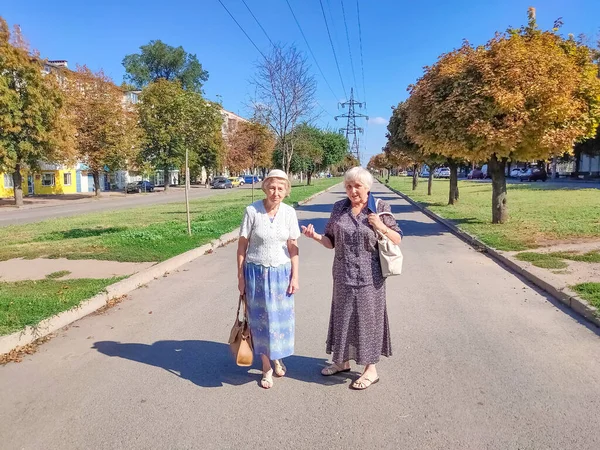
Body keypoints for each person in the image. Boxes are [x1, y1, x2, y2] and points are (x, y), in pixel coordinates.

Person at [301, 167, 402, 390]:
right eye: (348, 186)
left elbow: (397, 239)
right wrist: (315, 236)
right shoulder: (339, 208)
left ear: (367, 187)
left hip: (371, 276)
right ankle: (342, 361)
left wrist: (380, 225)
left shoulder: (380, 207)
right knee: (343, 316)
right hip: (342, 273)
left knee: (368, 320)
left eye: (357, 186)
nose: (352, 190)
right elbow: (330, 241)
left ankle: (370, 369)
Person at [237, 169, 300, 389]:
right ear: (265, 188)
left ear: (286, 191)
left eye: (280, 189)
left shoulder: (289, 213)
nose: (275, 192)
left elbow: (293, 247)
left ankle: (277, 356)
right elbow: (242, 246)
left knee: (280, 321)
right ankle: (266, 366)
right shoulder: (252, 211)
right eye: (272, 187)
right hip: (256, 273)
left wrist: (295, 276)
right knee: (260, 320)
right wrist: (240, 276)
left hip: (282, 274)